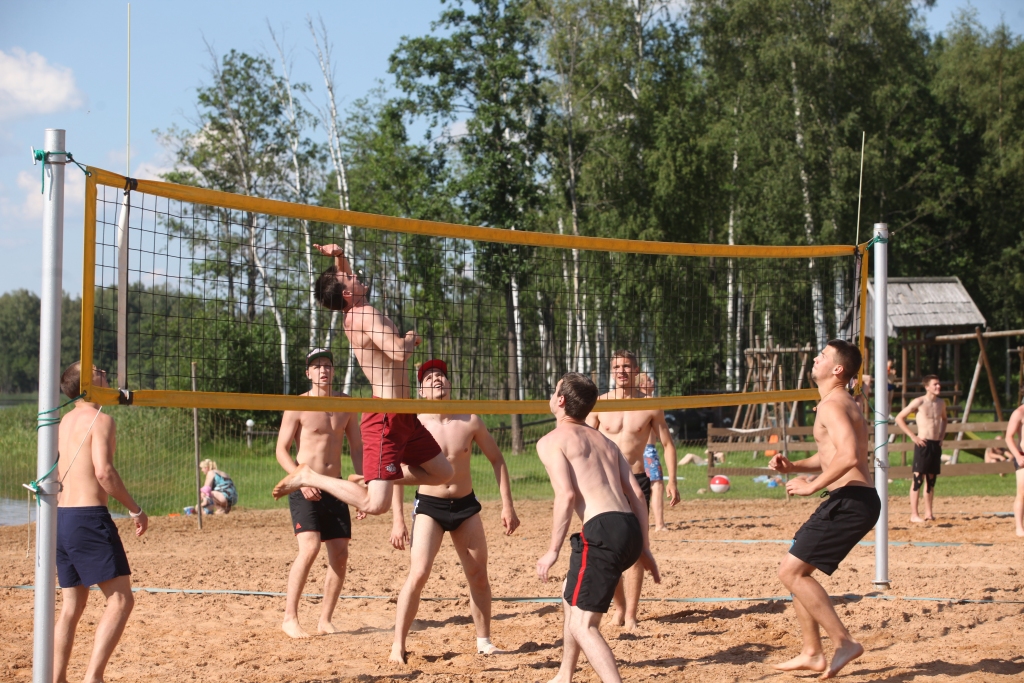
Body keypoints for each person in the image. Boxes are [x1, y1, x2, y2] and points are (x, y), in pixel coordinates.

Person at [273, 244, 454, 516]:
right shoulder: (365, 315)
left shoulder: (353, 311)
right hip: (385, 416)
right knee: (374, 504)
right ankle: (309, 476)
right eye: (350, 277)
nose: (355, 274)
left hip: (404, 414)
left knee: (442, 472)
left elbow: (342, 281)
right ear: (347, 293)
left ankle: (368, 478)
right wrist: (410, 338)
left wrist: (338, 255)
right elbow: (397, 352)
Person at [388, 359, 521, 663]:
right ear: (420, 390)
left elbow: (497, 459)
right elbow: (396, 472)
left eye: (441, 375)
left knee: (478, 575)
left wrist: (507, 505)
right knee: (419, 573)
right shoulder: (414, 420)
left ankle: (484, 641)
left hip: (465, 505)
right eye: (429, 376)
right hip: (429, 507)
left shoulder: (470, 419)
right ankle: (398, 644)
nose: (437, 379)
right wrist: (397, 520)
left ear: (450, 384)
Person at [536, 372, 660, 683]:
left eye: (554, 391)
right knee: (570, 596)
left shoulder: (552, 441)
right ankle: (565, 674)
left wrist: (551, 551)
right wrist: (643, 547)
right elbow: (637, 497)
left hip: (602, 529)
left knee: (584, 625)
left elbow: (565, 496)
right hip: (628, 527)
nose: (552, 395)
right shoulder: (606, 441)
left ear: (561, 400)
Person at [768, 340, 879, 679]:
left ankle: (844, 642)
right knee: (798, 572)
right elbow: (830, 453)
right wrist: (795, 467)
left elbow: (849, 456)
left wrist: (811, 485)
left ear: (837, 369)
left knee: (791, 573)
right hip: (849, 500)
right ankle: (812, 652)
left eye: (822, 356)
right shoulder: (837, 402)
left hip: (850, 502)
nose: (815, 358)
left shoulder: (833, 405)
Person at [53, 362, 148, 683]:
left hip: (62, 518)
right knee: (121, 599)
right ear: (85, 384)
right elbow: (103, 472)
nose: (103, 371)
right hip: (87, 517)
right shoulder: (100, 419)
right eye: (95, 369)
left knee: (71, 606)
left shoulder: (64, 421)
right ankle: (93, 677)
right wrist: (135, 509)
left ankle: (57, 678)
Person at [275, 348, 364, 639]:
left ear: (333, 371)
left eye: (327, 365)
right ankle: (290, 618)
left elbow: (357, 449)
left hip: (335, 485)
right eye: (317, 366)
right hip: (305, 484)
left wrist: (362, 487)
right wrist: (300, 480)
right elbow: (281, 450)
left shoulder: (346, 405)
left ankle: (325, 620)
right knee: (310, 547)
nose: (323, 369)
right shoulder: (298, 405)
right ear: (308, 373)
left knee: (340, 554)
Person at [585, 350, 676, 629]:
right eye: (616, 366)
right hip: (606, 483)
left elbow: (667, 444)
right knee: (609, 550)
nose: (621, 370)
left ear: (636, 370)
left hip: (638, 481)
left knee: (636, 549)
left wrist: (672, 479)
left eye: (626, 366)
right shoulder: (599, 403)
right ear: (611, 371)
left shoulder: (651, 405)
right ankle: (619, 609)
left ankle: (632, 615)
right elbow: (584, 442)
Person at [895, 374, 947, 523]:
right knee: (918, 479)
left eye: (939, 384)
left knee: (932, 480)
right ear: (927, 387)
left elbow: (944, 419)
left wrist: (941, 437)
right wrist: (913, 436)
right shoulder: (919, 402)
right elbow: (899, 417)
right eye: (935, 384)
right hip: (922, 443)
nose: (938, 387)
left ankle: (929, 513)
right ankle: (914, 514)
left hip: (935, 444)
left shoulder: (941, 403)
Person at [636, 373, 673, 532]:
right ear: (642, 385)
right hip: (647, 451)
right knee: (656, 486)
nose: (653, 381)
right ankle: (659, 524)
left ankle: (653, 523)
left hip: (645, 451)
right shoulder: (648, 404)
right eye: (649, 380)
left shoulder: (646, 404)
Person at [1003, 400, 1024, 537]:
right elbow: (1008, 437)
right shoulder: (1019, 412)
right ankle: (1019, 527)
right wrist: (1017, 456)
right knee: (1022, 494)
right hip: (1023, 456)